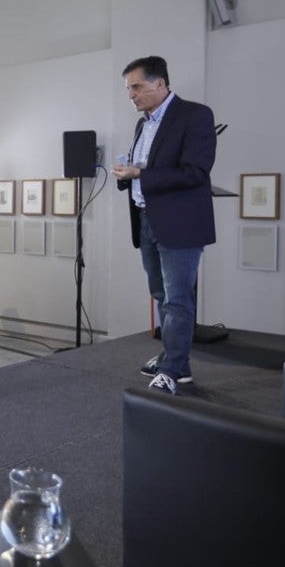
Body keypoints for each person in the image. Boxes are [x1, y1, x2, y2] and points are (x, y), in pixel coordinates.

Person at [112, 56, 217, 395]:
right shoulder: (143, 124)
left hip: (180, 224)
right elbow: (143, 167)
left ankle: (171, 370)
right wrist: (127, 176)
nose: (132, 95)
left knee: (177, 299)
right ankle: (177, 362)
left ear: (160, 84)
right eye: (129, 89)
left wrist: (141, 174)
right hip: (146, 220)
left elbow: (195, 172)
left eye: (137, 87)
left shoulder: (195, 115)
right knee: (160, 294)